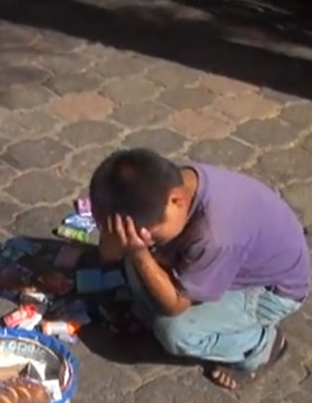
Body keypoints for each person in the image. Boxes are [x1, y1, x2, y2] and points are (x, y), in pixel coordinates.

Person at [89, 148, 310, 390]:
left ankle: (261, 347)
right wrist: (124, 245)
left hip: (272, 292)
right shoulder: (172, 182)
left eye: (149, 235)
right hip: (227, 261)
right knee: (136, 271)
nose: (146, 240)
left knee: (174, 331)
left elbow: (174, 306)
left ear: (176, 200)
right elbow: (109, 252)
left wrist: (139, 251)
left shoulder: (214, 235)